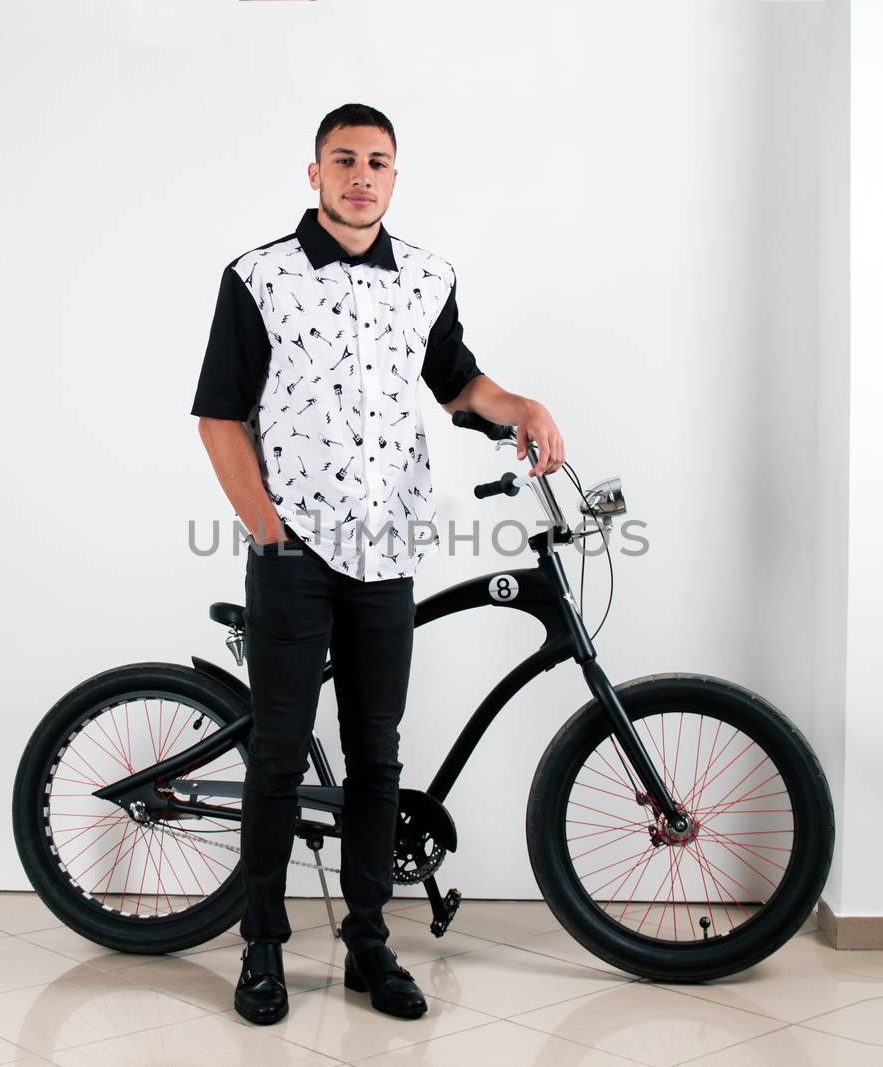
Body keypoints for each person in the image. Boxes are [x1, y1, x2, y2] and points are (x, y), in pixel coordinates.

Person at [190, 102, 565, 1026]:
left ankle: (368, 940)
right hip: (296, 554)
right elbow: (218, 414)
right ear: (313, 173)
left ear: (396, 177)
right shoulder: (258, 278)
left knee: (376, 755)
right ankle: (263, 945)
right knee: (277, 751)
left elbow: (457, 385)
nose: (362, 175)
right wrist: (269, 532)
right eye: (344, 159)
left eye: (379, 162)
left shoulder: (427, 278)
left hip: (388, 549)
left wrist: (519, 404)